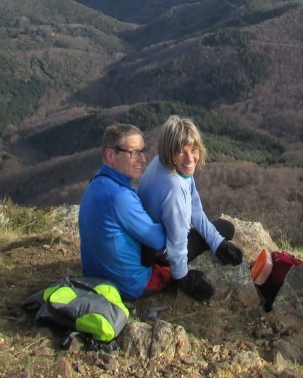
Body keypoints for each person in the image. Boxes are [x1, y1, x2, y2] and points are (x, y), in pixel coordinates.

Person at [138, 115, 244, 303]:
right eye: (181, 152)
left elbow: (194, 207)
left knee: (221, 230)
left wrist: (217, 242)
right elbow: (177, 237)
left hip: (147, 246)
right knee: (226, 228)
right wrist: (182, 276)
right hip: (161, 254)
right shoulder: (173, 186)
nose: (190, 158)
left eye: (193, 150)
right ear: (170, 151)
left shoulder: (165, 163)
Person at [78, 123, 170, 301]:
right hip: (130, 286)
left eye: (142, 151)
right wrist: (176, 220)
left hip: (95, 278)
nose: (143, 160)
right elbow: (159, 241)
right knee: (220, 229)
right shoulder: (119, 197)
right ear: (110, 155)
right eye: (134, 153)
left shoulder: (99, 183)